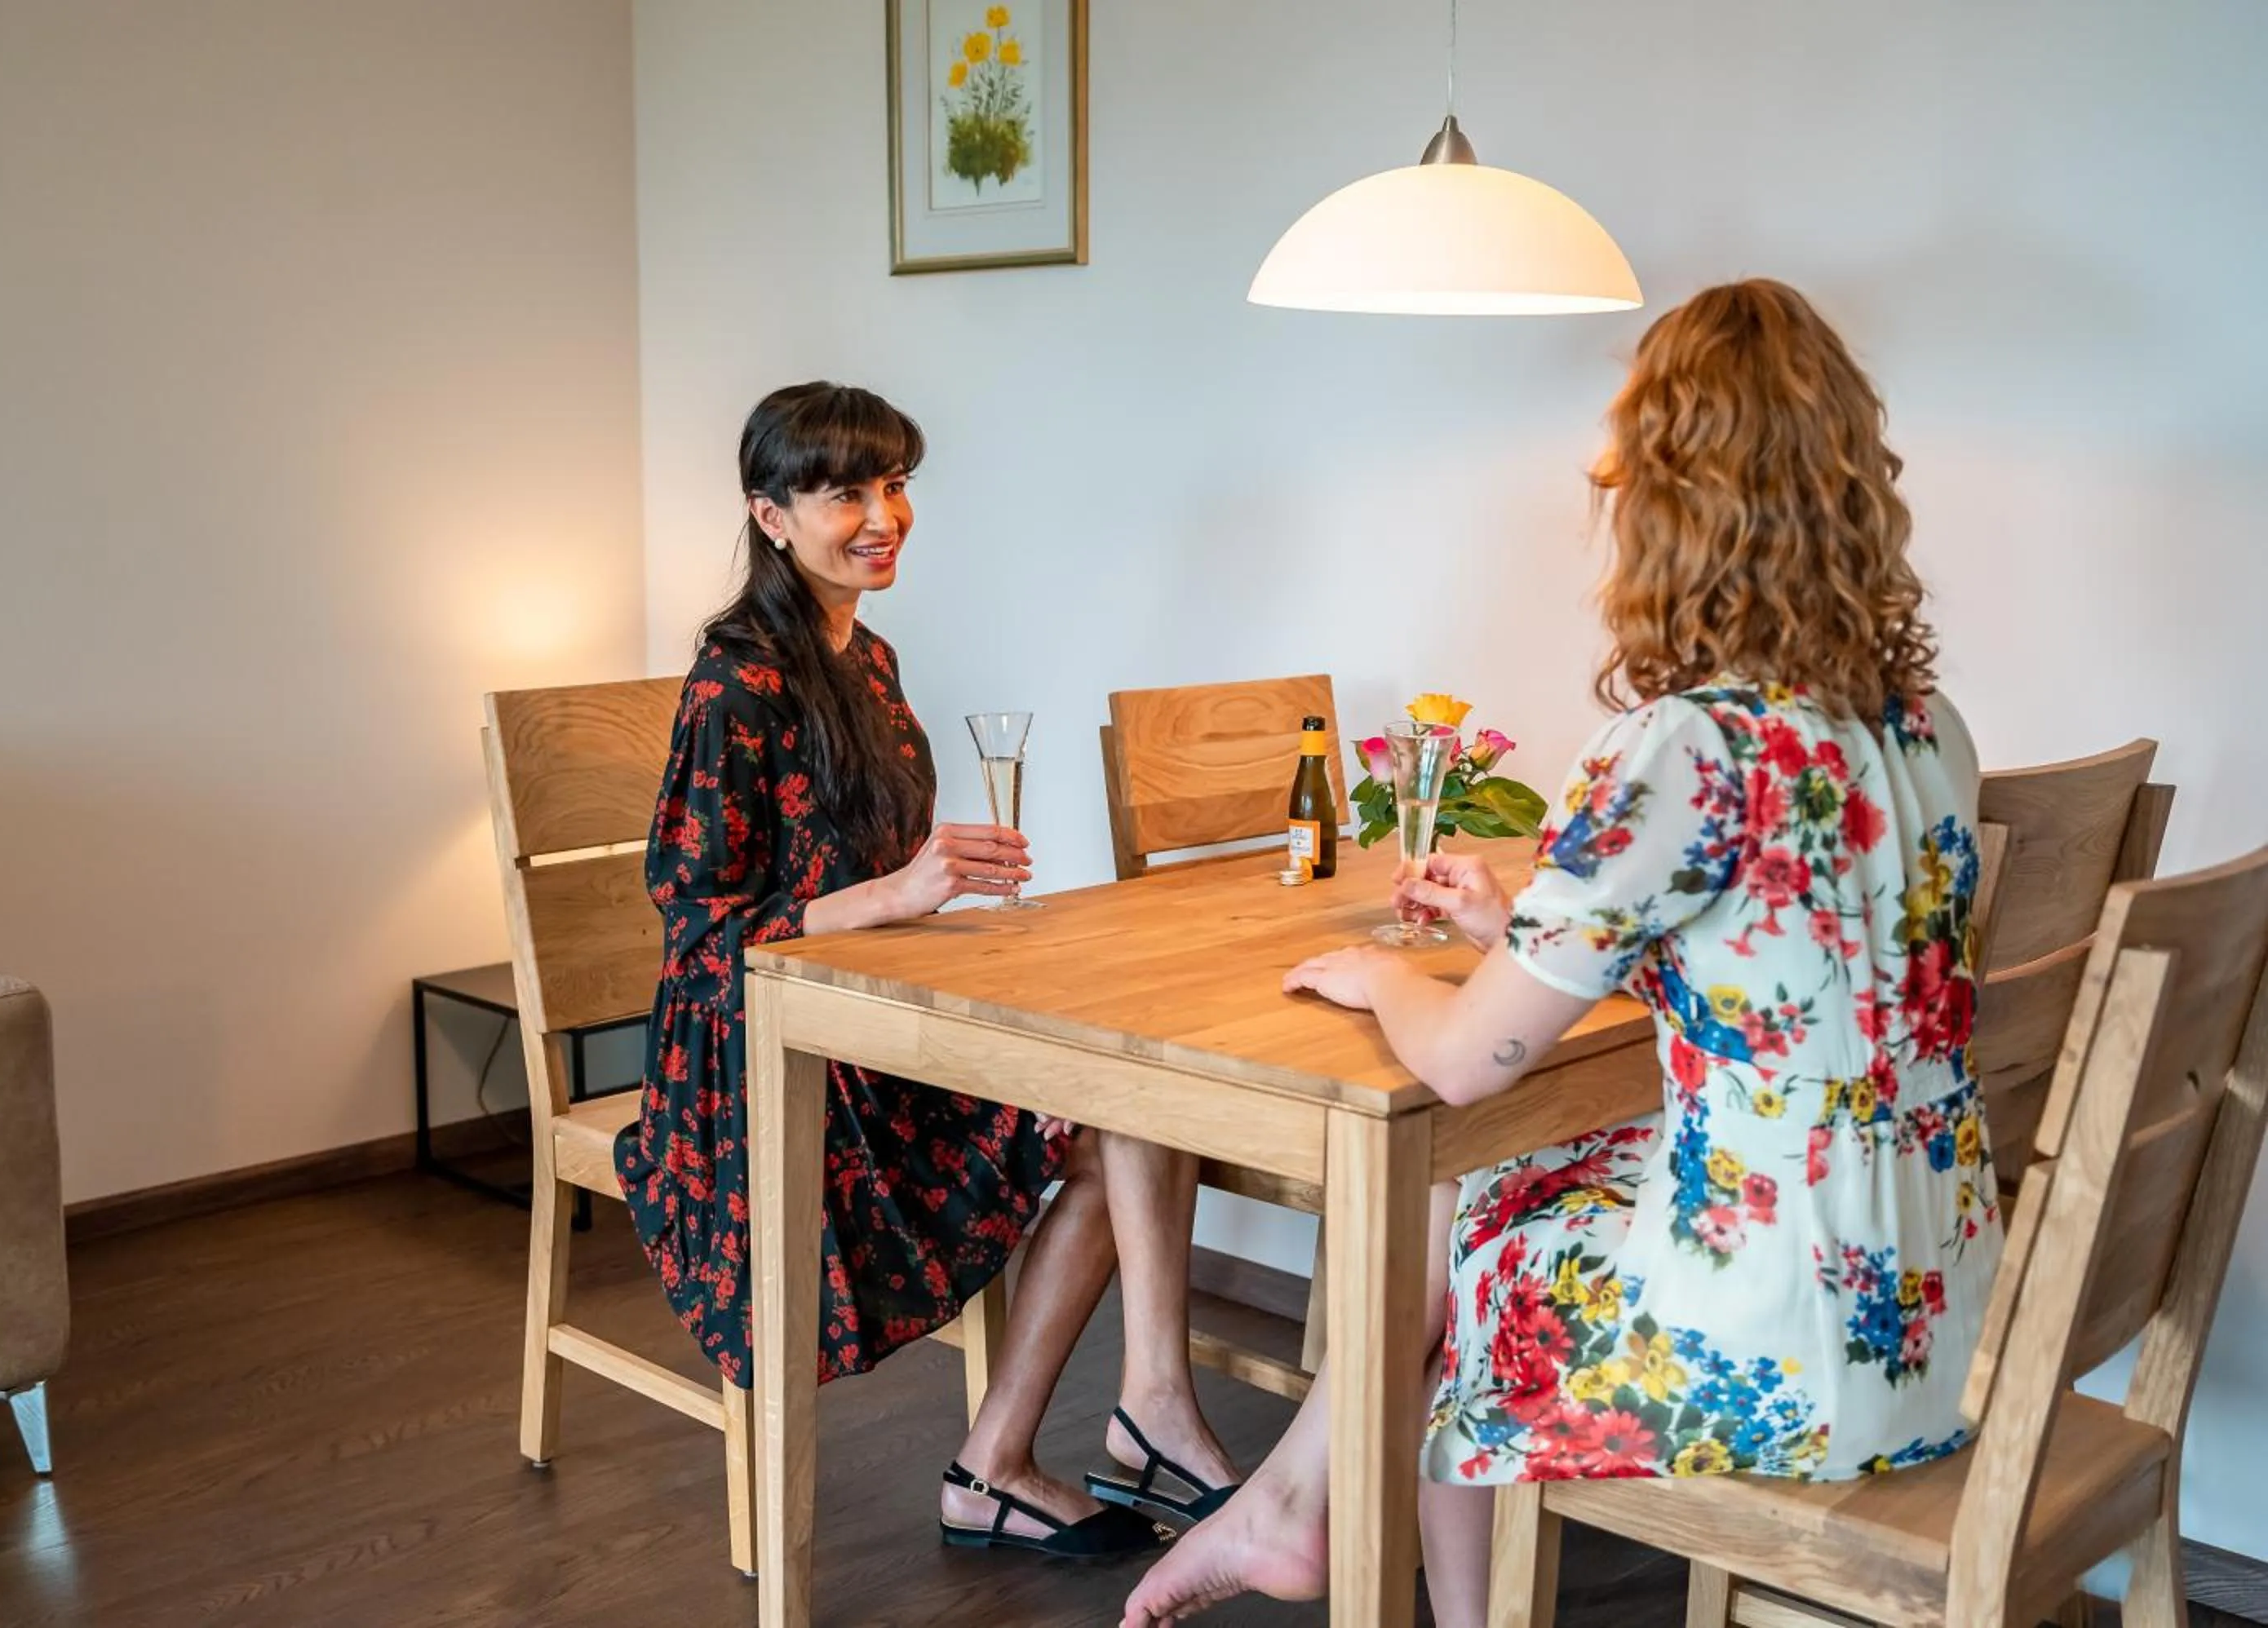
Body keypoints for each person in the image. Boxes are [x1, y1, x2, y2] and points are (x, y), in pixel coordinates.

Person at [1124, 279, 2001, 1626]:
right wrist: (1517, 929)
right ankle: (1295, 1510)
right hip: (1942, 1307)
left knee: (1483, 1230)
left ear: (1672, 505)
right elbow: (1789, 975)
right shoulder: (1920, 723)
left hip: (1790, 1349)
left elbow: (1473, 1063)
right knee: (1505, 1195)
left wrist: (1389, 977)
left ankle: (1331, 1532)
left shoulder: (1687, 743)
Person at [618, 382, 1239, 1557]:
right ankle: (1103, 1430)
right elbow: (699, 930)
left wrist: (938, 884)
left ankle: (1058, 1443)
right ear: (771, 516)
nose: (882, 515)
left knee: (1136, 1112)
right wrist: (900, 894)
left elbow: (866, 869)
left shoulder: (872, 656)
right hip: (762, 1056)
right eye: (844, 492)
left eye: (895, 485)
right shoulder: (734, 681)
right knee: (1122, 1126)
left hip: (872, 1012)